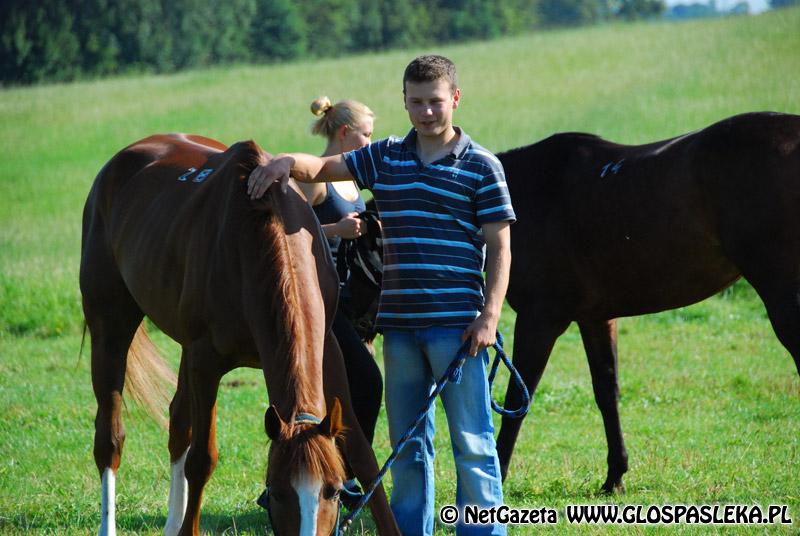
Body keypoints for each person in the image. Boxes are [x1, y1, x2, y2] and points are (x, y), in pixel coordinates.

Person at [249, 55, 514, 536]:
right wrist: (287, 162)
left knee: (472, 442)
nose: (426, 112)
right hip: (399, 329)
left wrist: (490, 316)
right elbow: (323, 166)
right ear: (405, 101)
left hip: (459, 327)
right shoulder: (386, 155)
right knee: (409, 445)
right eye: (416, 102)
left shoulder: (482, 166)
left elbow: (500, 246)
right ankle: (413, 530)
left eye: (435, 101)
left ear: (455, 98)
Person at [298, 96, 384, 446]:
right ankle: (348, 470)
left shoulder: (352, 179)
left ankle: (338, 470)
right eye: (365, 135)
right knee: (367, 382)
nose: (370, 143)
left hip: (349, 297)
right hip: (320, 296)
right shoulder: (314, 177)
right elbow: (288, 235)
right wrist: (337, 231)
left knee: (347, 388)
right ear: (345, 133)